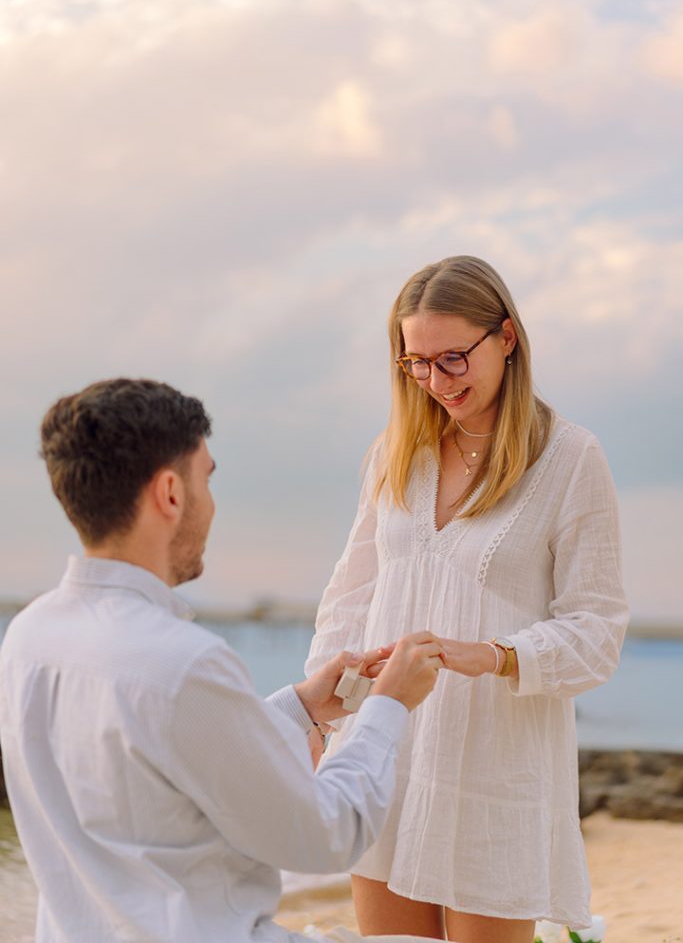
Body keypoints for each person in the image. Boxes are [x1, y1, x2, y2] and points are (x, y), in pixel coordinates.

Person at [0, 377, 448, 943]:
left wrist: (304, 707)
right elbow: (328, 834)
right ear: (169, 492)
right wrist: (387, 707)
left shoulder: (29, 637)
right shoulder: (183, 662)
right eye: (205, 479)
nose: (210, 505)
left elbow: (163, 758)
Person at [306, 256, 629, 943]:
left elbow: (597, 629)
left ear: (505, 338)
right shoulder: (394, 453)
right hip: (384, 752)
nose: (434, 380)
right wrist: (319, 712)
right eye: (414, 363)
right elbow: (349, 594)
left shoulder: (570, 458)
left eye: (452, 357)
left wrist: (489, 653)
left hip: (493, 765)